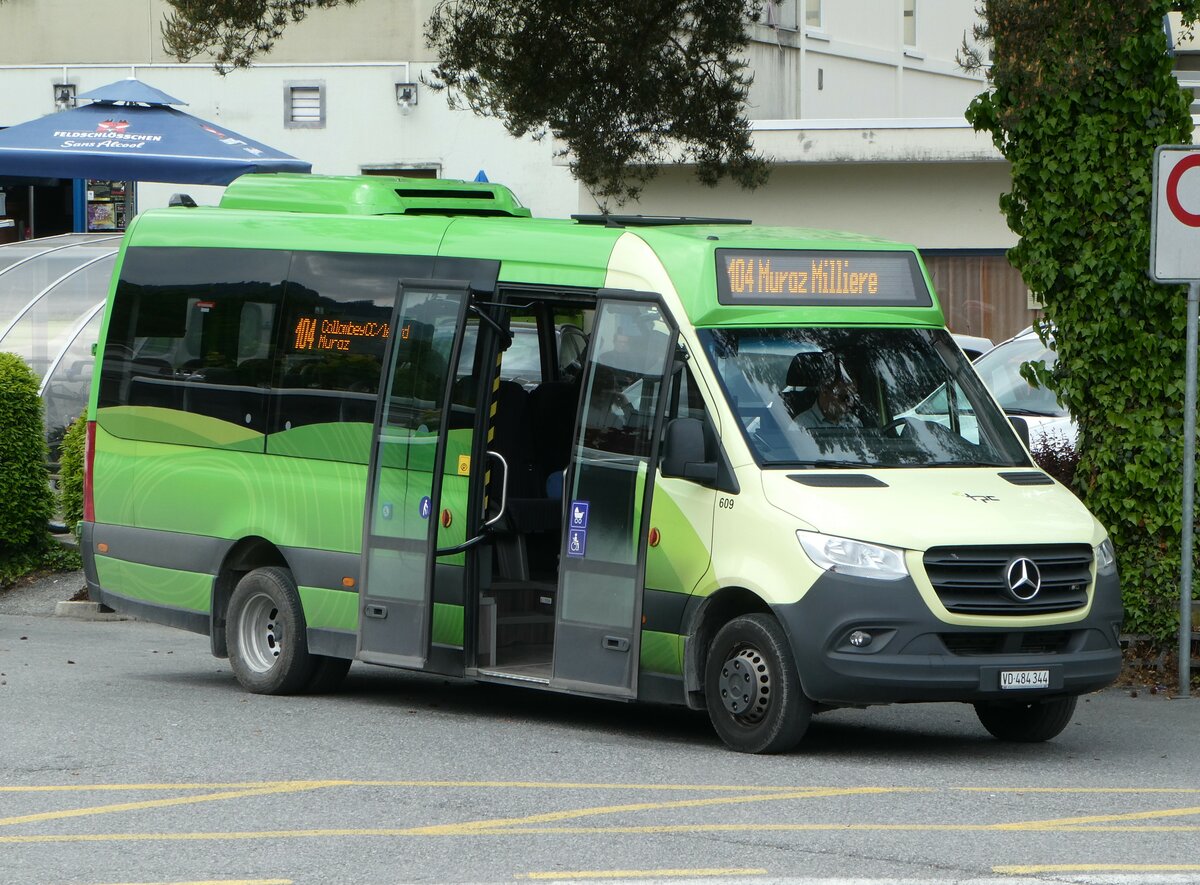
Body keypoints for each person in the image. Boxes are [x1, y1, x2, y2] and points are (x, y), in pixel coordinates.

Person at [792, 367, 863, 428]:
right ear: (824, 392)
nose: (851, 404)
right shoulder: (802, 425)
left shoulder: (854, 422)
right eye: (845, 398)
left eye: (853, 397)